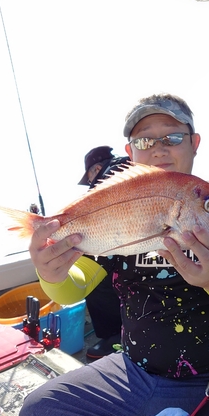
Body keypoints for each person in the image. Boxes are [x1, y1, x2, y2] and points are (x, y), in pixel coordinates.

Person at [19, 93, 209, 416]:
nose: (158, 149)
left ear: (195, 142)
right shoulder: (116, 205)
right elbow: (73, 285)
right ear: (130, 151)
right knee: (43, 414)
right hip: (135, 371)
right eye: (145, 141)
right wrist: (49, 272)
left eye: (172, 137)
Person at [78, 146, 129, 358]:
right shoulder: (131, 167)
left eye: (90, 177)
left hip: (122, 244)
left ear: (97, 168)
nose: (90, 182)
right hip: (127, 241)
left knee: (96, 283)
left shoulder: (109, 175)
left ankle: (114, 337)